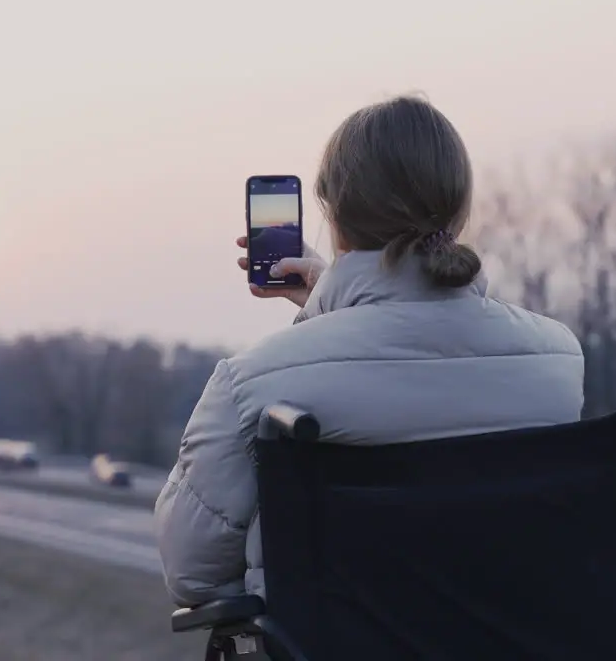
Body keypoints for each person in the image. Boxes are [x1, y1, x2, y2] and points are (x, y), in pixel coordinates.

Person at [153, 95, 585, 608]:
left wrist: (322, 318)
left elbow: (193, 576)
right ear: (460, 210)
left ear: (334, 218)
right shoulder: (556, 363)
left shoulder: (254, 386)